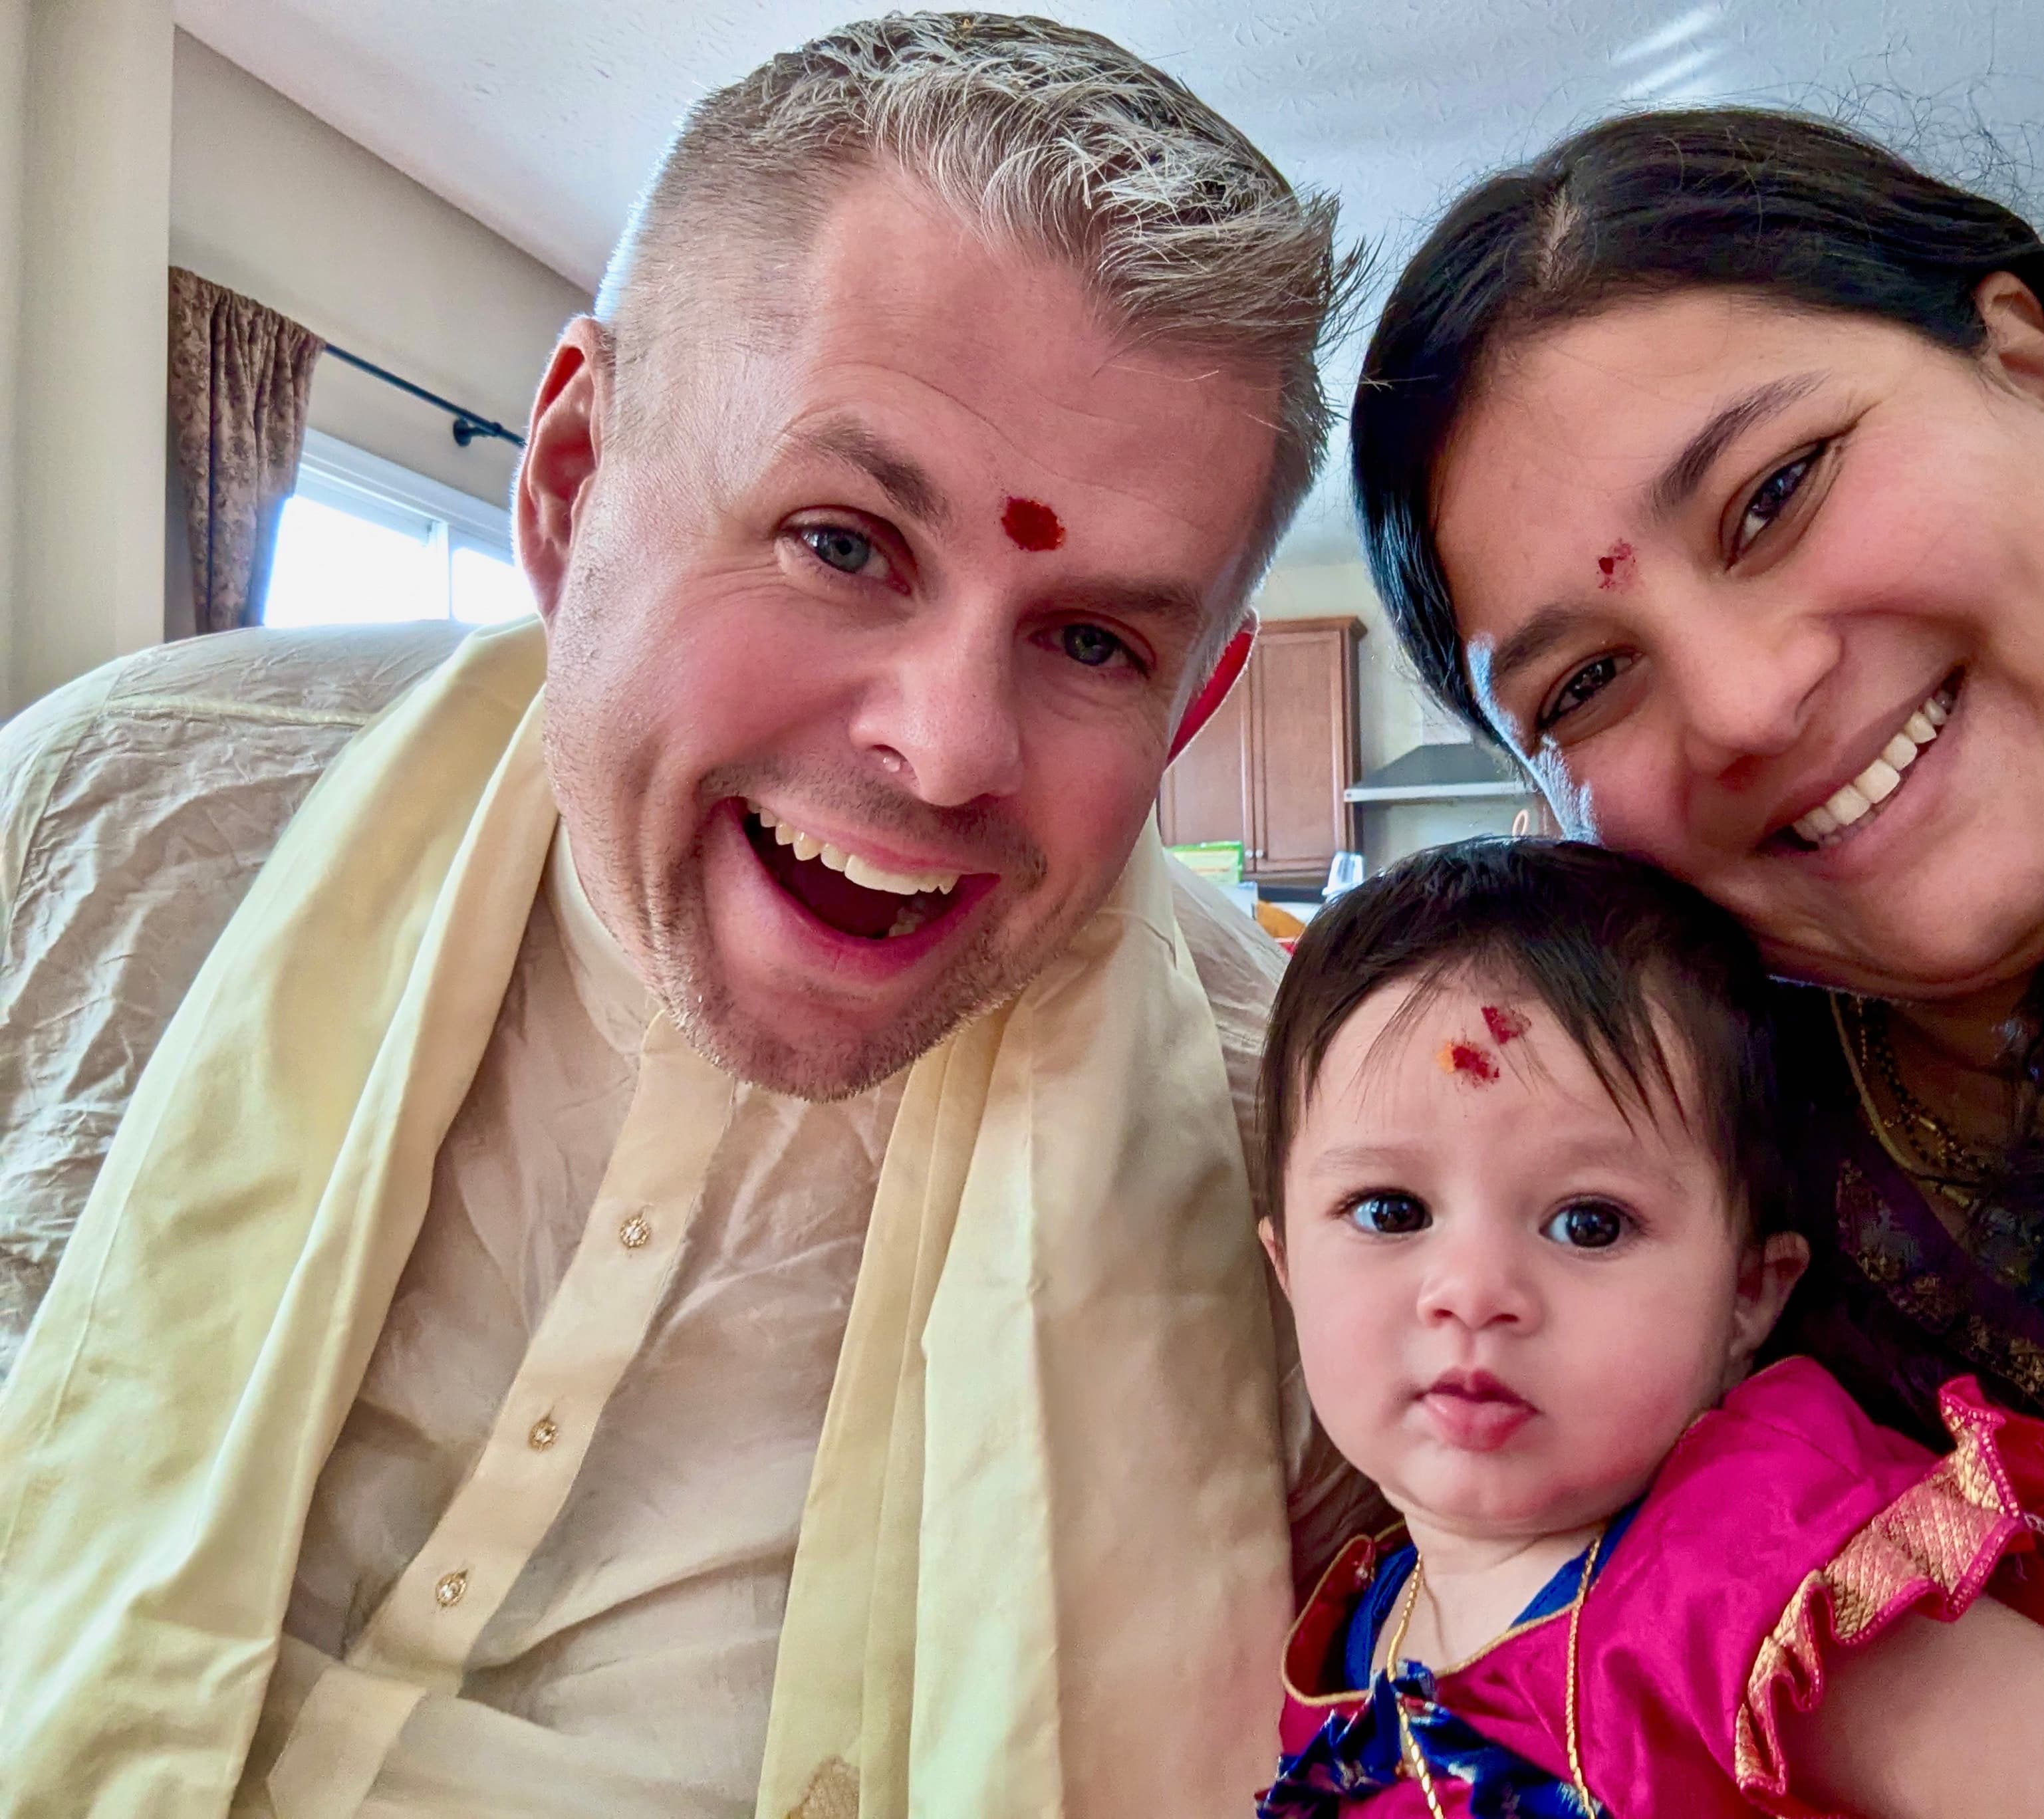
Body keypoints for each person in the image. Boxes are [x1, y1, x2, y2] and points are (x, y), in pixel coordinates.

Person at [0, 16, 1370, 1816]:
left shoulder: (1325, 1164)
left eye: (1097, 642)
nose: (948, 750)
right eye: (842, 542)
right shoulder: (110, 820)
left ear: (1192, 712)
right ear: (570, 484)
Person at [1348, 108, 2044, 1815]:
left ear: (2037, 377)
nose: (1748, 702)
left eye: (1774, 494)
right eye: (1582, 687)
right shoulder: (1671, 1184)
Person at [1249, 838, 2044, 1818]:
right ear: (1285, 1264)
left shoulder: (1747, 1576)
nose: (1470, 1293)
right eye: (1390, 1212)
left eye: (1589, 1224)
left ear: (1749, 1295)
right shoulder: (1364, 1618)